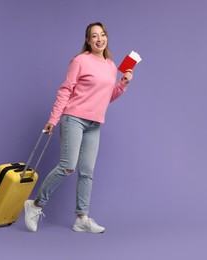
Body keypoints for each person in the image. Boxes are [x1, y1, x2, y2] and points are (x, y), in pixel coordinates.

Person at [24, 22, 134, 233]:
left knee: (87, 172)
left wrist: (123, 84)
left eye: (102, 35)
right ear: (88, 40)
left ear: (107, 38)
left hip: (95, 123)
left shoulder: (111, 66)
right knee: (68, 166)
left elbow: (106, 97)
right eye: (94, 36)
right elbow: (65, 91)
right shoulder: (80, 61)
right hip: (73, 118)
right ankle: (35, 204)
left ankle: (81, 218)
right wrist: (53, 119)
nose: (99, 39)